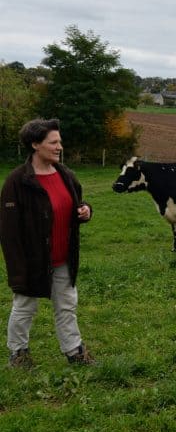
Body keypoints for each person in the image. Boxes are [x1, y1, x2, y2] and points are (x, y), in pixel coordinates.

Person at [1, 118, 95, 368]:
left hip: (63, 258)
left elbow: (77, 206)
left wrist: (85, 211)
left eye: (59, 142)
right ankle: (18, 354)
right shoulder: (17, 182)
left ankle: (75, 352)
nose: (59, 147)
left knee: (66, 306)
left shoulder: (66, 175)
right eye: (53, 142)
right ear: (35, 144)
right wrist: (18, 270)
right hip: (32, 261)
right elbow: (9, 233)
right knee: (24, 308)